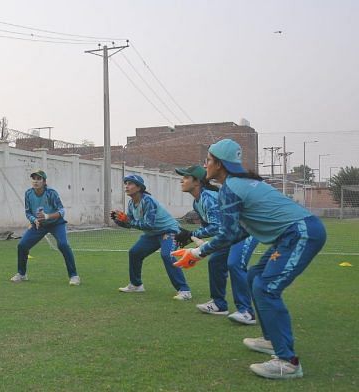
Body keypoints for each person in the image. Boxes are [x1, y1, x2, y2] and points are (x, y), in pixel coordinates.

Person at [172, 139, 326, 379]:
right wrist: (199, 252)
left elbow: (229, 233)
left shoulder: (231, 188)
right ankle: (271, 340)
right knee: (254, 276)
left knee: (266, 289)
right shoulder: (240, 183)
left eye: (208, 160)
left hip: (301, 233)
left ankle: (288, 362)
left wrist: (196, 252)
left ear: (220, 165)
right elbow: (241, 231)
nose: (205, 165)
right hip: (293, 234)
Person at [174, 165, 259, 323]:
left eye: (185, 177)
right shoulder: (197, 202)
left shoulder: (209, 197)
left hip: (246, 229)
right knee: (215, 262)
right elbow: (209, 227)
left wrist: (191, 234)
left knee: (235, 264)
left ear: (197, 182)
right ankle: (219, 304)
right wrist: (192, 238)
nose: (182, 180)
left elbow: (217, 226)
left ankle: (246, 311)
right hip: (231, 233)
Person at [112, 174, 192, 300]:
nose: (126, 186)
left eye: (130, 183)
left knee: (167, 255)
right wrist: (119, 221)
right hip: (153, 234)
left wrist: (128, 221)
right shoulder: (131, 203)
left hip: (169, 231)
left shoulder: (148, 201)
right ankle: (136, 285)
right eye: (125, 183)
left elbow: (148, 224)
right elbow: (130, 223)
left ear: (139, 187)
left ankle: (184, 290)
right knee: (134, 253)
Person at [11, 170, 80, 286]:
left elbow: (62, 211)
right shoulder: (28, 193)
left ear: (44, 181)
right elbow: (28, 212)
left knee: (63, 244)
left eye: (39, 179)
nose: (36, 181)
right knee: (22, 245)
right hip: (39, 225)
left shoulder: (51, 193)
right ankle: (21, 274)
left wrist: (47, 216)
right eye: (34, 179)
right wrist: (34, 220)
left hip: (56, 224)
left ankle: (74, 276)